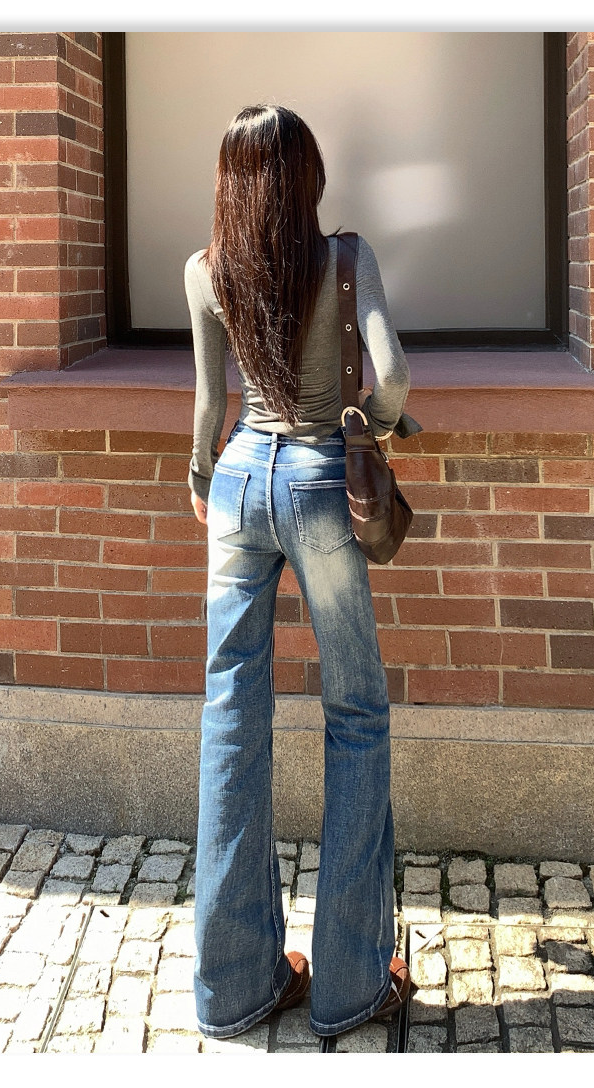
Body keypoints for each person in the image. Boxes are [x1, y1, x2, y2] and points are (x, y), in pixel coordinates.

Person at [185, 103, 413, 1041]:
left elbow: (210, 408)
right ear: (306, 175)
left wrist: (202, 481)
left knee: (231, 718)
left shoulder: (207, 270)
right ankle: (350, 985)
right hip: (321, 484)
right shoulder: (345, 259)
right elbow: (391, 380)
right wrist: (379, 429)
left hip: (239, 483)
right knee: (355, 713)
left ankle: (235, 987)